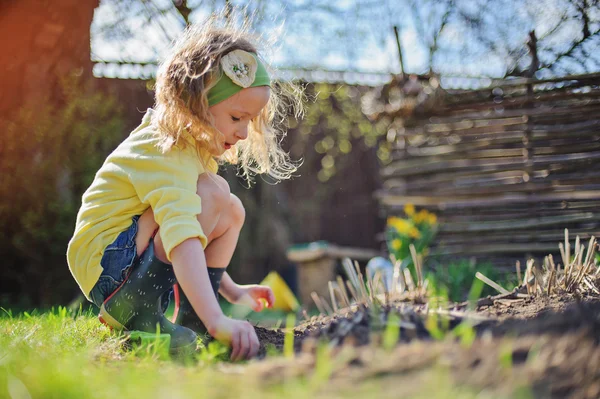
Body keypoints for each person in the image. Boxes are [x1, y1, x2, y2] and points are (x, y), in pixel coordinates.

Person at [67, 16, 301, 360]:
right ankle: (135, 310)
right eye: (236, 118)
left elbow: (191, 234)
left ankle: (194, 316)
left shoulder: (189, 150)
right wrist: (221, 320)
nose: (243, 133)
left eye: (249, 121)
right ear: (196, 104)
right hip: (108, 264)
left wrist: (231, 290)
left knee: (230, 206)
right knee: (213, 194)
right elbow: (182, 237)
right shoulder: (167, 150)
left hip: (127, 255)